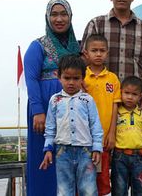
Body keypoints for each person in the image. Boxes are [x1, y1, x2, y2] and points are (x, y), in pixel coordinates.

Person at [81, 0, 142, 124]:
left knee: (136, 145)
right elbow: (84, 60)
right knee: (101, 146)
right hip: (100, 103)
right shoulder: (96, 25)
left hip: (134, 103)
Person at [24, 0, 80, 196]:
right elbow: (30, 80)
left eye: (63, 14)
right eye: (54, 14)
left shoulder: (78, 48)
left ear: (71, 17)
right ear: (47, 17)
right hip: (45, 112)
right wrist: (38, 111)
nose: (59, 19)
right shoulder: (37, 46)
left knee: (73, 157)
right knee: (45, 159)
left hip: (74, 110)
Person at [40, 54, 103, 196]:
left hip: (86, 152)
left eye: (76, 78)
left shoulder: (87, 100)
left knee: (88, 190)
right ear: (59, 76)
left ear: (82, 78)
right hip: (62, 152)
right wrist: (48, 149)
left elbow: (95, 125)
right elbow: (50, 127)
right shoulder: (55, 100)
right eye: (67, 78)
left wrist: (97, 148)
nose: (71, 82)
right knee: (64, 191)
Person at [83, 34, 122, 195]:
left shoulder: (112, 78)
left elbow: (115, 108)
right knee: (84, 178)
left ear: (107, 53)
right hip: (84, 140)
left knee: (103, 179)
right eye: (94, 50)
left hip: (104, 139)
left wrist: (112, 133)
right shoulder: (81, 77)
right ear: (86, 53)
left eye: (102, 51)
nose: (98, 54)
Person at [111, 76, 142, 196]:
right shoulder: (116, 112)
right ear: (121, 93)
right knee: (119, 188)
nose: (129, 97)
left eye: (134, 94)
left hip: (139, 157)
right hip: (119, 156)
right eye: (126, 93)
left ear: (140, 96)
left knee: (140, 189)